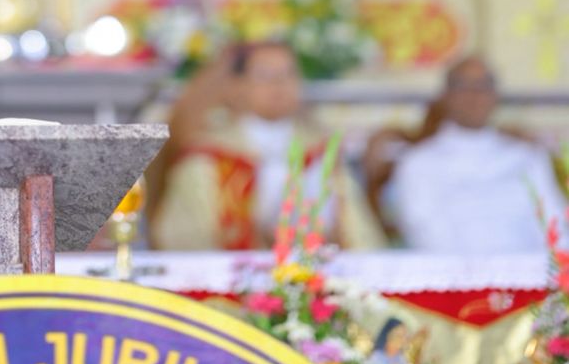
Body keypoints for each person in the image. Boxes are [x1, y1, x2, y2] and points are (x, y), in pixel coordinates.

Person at [149, 40, 382, 251]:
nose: (278, 85)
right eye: (265, 75)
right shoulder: (207, 158)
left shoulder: (321, 152)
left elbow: (360, 235)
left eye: (288, 74)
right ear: (238, 86)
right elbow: (182, 240)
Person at [391, 55, 565, 253]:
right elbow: (423, 231)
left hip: (529, 268)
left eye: (483, 86)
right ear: (446, 96)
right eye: (463, 86)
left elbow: (554, 225)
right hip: (451, 269)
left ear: (495, 95)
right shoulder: (418, 163)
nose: (474, 95)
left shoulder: (527, 158)